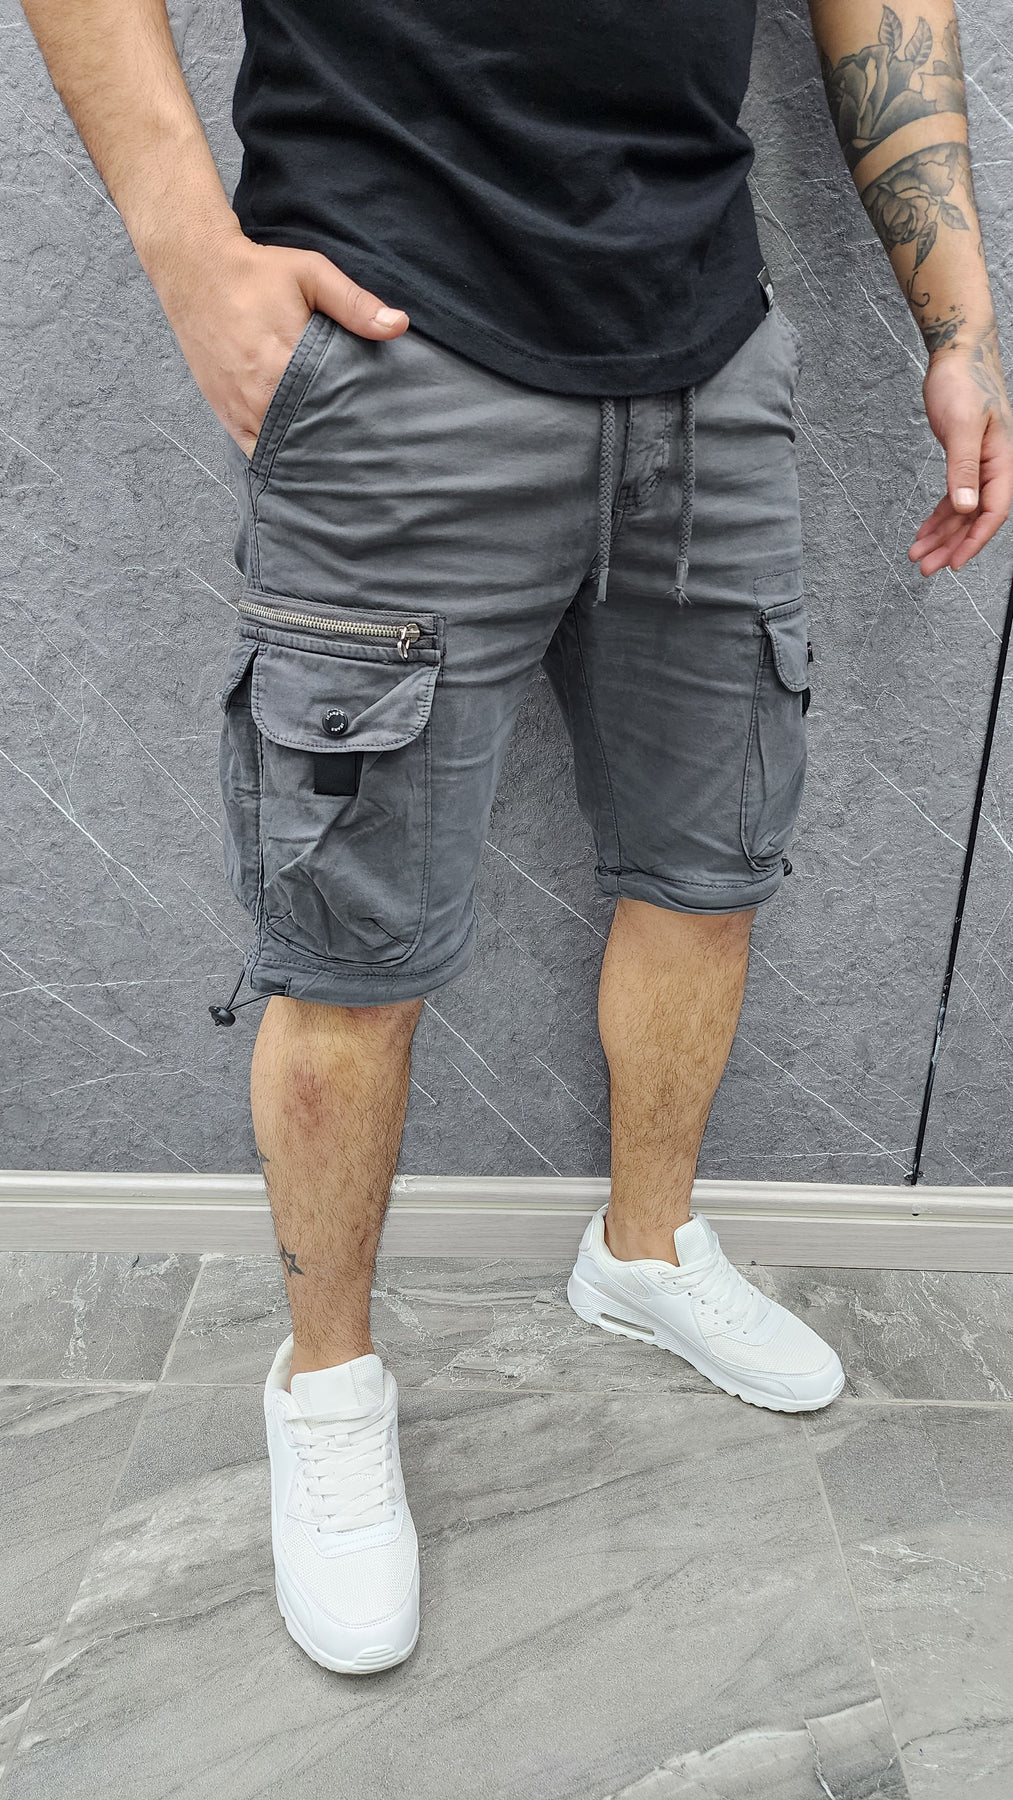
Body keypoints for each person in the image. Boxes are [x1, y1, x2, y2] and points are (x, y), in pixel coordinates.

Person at [23, 0, 1013, 1675]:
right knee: (352, 945)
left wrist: (960, 317)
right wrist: (194, 258)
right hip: (396, 346)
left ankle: (644, 1247)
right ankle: (326, 1385)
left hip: (710, 350)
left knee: (709, 863)